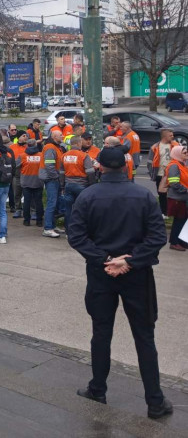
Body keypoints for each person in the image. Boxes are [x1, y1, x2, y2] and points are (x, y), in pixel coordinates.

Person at [68, 147, 172, 420]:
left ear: (99, 167)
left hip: (101, 274)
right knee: (144, 337)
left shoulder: (88, 196)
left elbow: (76, 236)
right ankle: (155, 401)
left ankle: (97, 388)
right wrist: (130, 261)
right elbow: (158, 236)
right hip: (137, 275)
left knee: (101, 332)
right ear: (127, 166)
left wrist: (105, 260)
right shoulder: (144, 196)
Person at [61, 137, 95, 227]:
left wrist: (62, 186)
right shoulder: (84, 155)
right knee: (82, 209)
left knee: (68, 209)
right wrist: (92, 185)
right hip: (82, 185)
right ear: (78, 143)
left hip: (68, 184)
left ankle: (68, 231)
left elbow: (61, 172)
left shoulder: (64, 155)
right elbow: (90, 172)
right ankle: (81, 229)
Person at [39, 129, 64, 238]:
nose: (63, 136)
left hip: (54, 178)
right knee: (52, 203)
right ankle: (48, 228)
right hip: (52, 179)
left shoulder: (56, 147)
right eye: (60, 135)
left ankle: (52, 226)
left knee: (55, 203)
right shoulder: (50, 148)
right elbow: (49, 165)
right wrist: (56, 177)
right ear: (54, 137)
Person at [164, 145, 188, 252]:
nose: (187, 153)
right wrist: (186, 190)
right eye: (184, 152)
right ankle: (174, 242)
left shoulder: (182, 165)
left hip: (182, 198)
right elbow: (174, 183)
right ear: (178, 154)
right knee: (179, 220)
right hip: (177, 198)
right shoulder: (174, 166)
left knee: (182, 220)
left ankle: (181, 241)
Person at [19, 137, 44, 227]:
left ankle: (26, 221)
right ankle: (39, 221)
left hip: (26, 182)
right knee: (38, 202)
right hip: (38, 181)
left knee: (27, 202)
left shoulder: (22, 156)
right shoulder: (41, 155)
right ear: (36, 145)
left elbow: (16, 166)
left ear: (27, 145)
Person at [149, 128, 175, 215]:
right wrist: (152, 173)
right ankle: (164, 212)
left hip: (172, 174)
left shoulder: (176, 145)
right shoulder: (155, 147)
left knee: (173, 194)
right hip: (160, 174)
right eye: (170, 135)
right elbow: (150, 162)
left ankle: (171, 211)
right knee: (162, 194)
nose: (173, 136)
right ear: (164, 136)